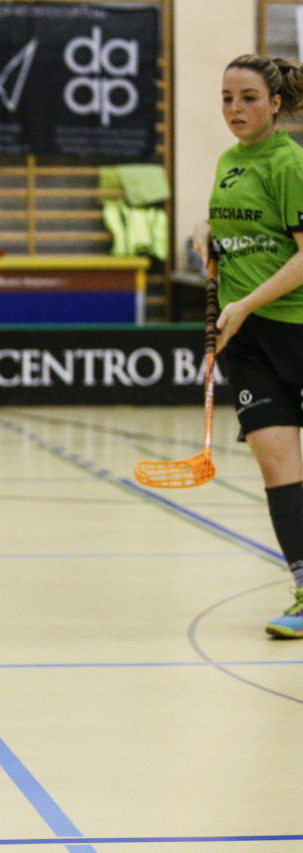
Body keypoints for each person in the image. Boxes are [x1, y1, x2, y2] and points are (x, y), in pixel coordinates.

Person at [194, 54, 303, 639]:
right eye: (227, 97)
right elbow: (235, 233)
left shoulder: (289, 164)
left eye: (249, 98)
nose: (235, 109)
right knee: (276, 464)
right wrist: (207, 239)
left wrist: (247, 302)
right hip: (249, 340)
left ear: (276, 102)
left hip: (295, 328)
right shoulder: (228, 163)